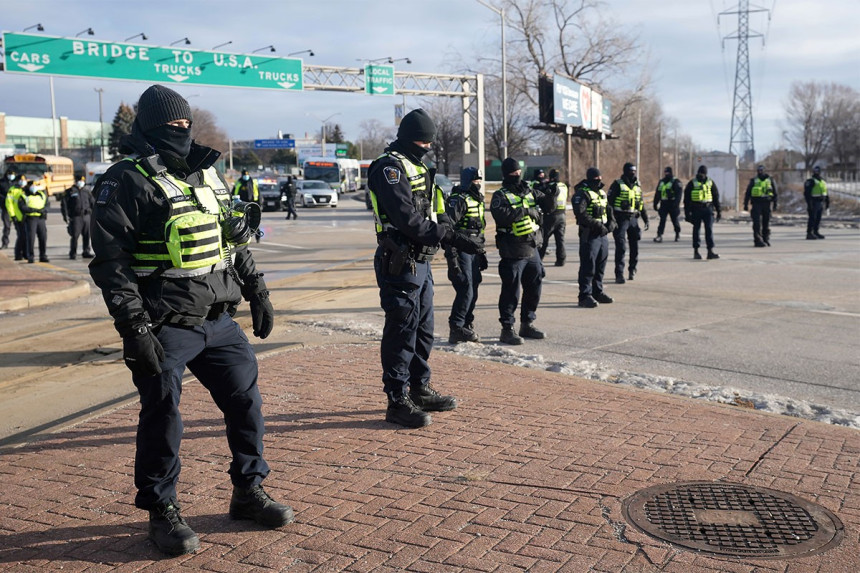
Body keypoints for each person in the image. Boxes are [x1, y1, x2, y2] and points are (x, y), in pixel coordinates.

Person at [88, 85, 292, 557]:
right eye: (170, 125)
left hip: (220, 320)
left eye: (185, 124)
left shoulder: (208, 174)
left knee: (247, 406)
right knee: (163, 417)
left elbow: (232, 238)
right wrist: (134, 328)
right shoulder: (125, 180)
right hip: (164, 323)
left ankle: (248, 492)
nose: (180, 131)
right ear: (147, 128)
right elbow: (111, 265)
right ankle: (162, 512)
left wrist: (257, 289)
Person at [367, 108, 477, 428]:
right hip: (399, 261)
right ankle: (397, 399)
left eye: (428, 143)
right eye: (422, 142)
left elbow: (433, 212)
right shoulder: (388, 168)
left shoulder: (417, 165)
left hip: (422, 261)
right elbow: (408, 220)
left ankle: (419, 388)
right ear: (408, 139)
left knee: (423, 329)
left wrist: (450, 238)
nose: (427, 147)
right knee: (402, 330)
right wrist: (451, 237)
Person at [490, 157, 546, 345]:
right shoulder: (500, 195)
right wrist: (524, 211)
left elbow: (546, 206)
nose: (517, 175)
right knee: (511, 291)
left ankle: (527, 323)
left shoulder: (529, 191)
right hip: (512, 250)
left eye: (518, 172)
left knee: (535, 287)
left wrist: (550, 195)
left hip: (532, 247)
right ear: (506, 174)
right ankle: (507, 329)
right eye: (513, 172)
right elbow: (501, 216)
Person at [444, 166, 487, 344]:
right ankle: (456, 327)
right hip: (460, 250)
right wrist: (452, 259)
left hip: (474, 251)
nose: (478, 184)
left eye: (479, 181)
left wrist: (482, 253)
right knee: (465, 288)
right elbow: (447, 231)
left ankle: (467, 323)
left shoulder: (477, 200)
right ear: (467, 181)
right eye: (475, 181)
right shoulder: (458, 200)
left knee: (473, 288)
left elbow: (480, 229)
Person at [572, 167, 616, 308]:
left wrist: (611, 224)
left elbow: (609, 210)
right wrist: (597, 226)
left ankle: (598, 292)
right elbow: (581, 214)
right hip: (589, 234)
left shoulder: (602, 193)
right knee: (588, 265)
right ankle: (584, 295)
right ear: (590, 178)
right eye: (596, 178)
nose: (599, 180)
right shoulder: (582, 194)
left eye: (600, 177)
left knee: (600, 265)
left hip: (602, 234)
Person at [607, 162, 648, 283]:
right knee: (621, 247)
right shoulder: (617, 184)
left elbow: (641, 203)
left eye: (634, 171)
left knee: (634, 246)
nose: (633, 173)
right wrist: (611, 219)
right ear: (625, 171)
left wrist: (645, 218)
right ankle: (619, 273)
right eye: (630, 171)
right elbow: (609, 203)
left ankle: (632, 269)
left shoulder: (637, 185)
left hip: (633, 219)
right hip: (620, 219)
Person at [684, 165, 721, 260]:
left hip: (708, 208)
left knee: (709, 230)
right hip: (696, 208)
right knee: (696, 230)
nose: (702, 175)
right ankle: (696, 251)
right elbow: (686, 199)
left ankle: (710, 251)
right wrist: (687, 213)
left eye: (703, 173)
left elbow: (716, 197)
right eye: (700, 173)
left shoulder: (710, 182)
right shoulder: (692, 183)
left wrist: (718, 210)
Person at [537, 168, 569, 266]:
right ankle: (561, 259)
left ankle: (539, 259)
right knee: (560, 240)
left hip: (551, 215)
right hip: (562, 215)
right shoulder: (564, 186)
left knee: (544, 238)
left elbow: (543, 194)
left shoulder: (551, 186)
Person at [743, 164, 778, 247]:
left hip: (767, 203)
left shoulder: (770, 180)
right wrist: (745, 204)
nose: (760, 172)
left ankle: (766, 239)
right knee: (757, 223)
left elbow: (775, 193)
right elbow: (748, 193)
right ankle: (758, 240)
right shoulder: (754, 180)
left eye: (761, 170)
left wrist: (775, 204)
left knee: (766, 222)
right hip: (756, 203)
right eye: (758, 170)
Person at [61, 176, 95, 259]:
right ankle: (73, 253)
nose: (81, 182)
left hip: (87, 216)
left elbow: (93, 203)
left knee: (87, 235)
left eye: (82, 181)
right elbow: (64, 205)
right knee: (75, 235)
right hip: (76, 217)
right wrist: (65, 216)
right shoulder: (70, 191)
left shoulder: (87, 191)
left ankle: (86, 251)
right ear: (75, 181)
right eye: (79, 180)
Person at [19, 180, 49, 263]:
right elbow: (22, 207)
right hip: (31, 219)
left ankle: (43, 255)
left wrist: (43, 210)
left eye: (36, 185)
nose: (34, 187)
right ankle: (30, 256)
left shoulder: (42, 194)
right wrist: (33, 210)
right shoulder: (24, 195)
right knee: (31, 238)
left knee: (43, 237)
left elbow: (47, 204)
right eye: (33, 185)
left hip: (41, 218)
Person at [653, 166, 682, 243]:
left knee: (675, 220)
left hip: (673, 204)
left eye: (668, 172)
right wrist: (655, 203)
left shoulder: (676, 181)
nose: (666, 174)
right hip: (664, 203)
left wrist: (676, 204)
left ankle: (677, 233)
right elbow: (658, 193)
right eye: (665, 172)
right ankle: (659, 235)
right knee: (662, 220)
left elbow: (679, 194)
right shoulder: (662, 181)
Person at [5, 174, 28, 261]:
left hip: (27, 216)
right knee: (21, 236)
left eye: (24, 179)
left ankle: (26, 253)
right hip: (17, 217)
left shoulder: (26, 189)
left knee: (27, 236)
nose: (23, 181)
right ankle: (18, 254)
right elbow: (9, 203)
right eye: (21, 180)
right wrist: (12, 215)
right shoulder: (13, 190)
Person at [804, 165, 829, 240]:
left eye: (818, 171)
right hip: (813, 202)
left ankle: (815, 231)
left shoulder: (822, 181)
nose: (817, 172)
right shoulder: (811, 181)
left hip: (820, 202)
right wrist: (809, 204)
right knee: (812, 218)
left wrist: (827, 203)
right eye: (815, 171)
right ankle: (809, 233)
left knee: (818, 218)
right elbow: (807, 194)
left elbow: (826, 193)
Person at [0, 169, 15, 249]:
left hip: (16, 208)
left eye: (13, 174)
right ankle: (5, 243)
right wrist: (5, 199)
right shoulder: (2, 182)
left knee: (21, 227)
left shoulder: (16, 182)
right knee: (7, 226)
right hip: (6, 208)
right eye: (10, 174)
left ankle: (23, 244)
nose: (11, 175)